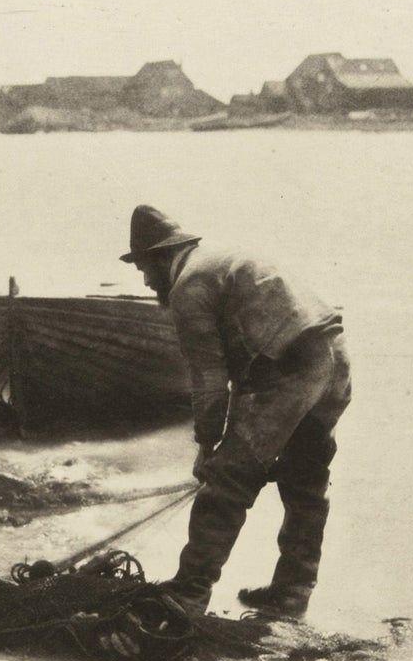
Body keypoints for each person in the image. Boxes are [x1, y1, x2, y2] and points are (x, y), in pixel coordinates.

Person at [120, 205, 351, 619]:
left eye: (142, 268)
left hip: (293, 367)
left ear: (159, 257)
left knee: (226, 481)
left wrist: (209, 445)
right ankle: (292, 592)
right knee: (306, 482)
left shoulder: (188, 286)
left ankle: (189, 592)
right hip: (334, 358)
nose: (145, 279)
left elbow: (209, 378)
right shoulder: (220, 261)